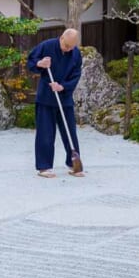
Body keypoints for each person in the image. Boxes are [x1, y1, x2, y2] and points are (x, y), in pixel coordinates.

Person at [27, 28, 84, 178]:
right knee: (45, 133)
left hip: (64, 97)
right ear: (61, 38)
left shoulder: (76, 53)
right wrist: (40, 63)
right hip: (46, 97)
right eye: (66, 46)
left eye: (71, 47)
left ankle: (74, 163)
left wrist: (62, 86)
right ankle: (44, 167)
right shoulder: (47, 46)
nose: (68, 49)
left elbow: (76, 74)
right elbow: (30, 61)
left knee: (70, 132)